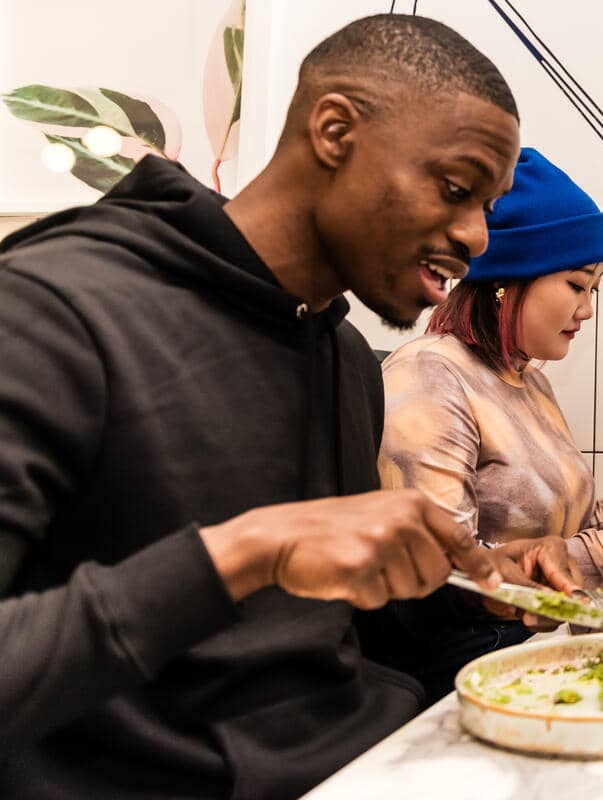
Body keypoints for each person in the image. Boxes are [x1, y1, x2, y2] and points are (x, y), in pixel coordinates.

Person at [0, 15, 534, 799]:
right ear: (334, 131)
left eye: (487, 205)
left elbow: (334, 635)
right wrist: (246, 552)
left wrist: (483, 591)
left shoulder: (343, 355)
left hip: (369, 766)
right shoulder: (51, 310)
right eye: (457, 189)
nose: (478, 236)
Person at [374, 146, 603, 698]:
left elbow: (555, 535)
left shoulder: (528, 381)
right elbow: (448, 575)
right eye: (576, 286)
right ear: (508, 278)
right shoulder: (427, 375)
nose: (587, 310)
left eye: (594, 289)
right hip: (466, 672)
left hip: (536, 647)